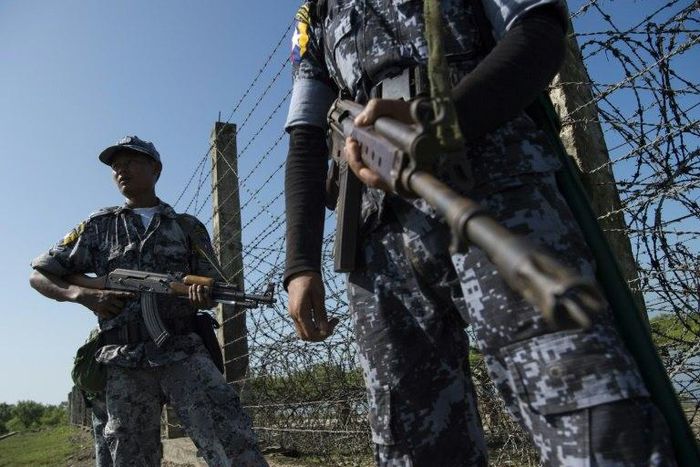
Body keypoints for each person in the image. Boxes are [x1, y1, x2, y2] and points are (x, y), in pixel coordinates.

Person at [283, 1, 676, 465]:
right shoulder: (316, 11)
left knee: (588, 411)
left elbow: (537, 30)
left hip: (498, 188)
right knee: (410, 440)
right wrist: (301, 264)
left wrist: (447, 120)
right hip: (377, 232)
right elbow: (307, 138)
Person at [30, 136, 268, 467]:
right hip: (123, 358)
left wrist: (202, 295)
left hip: (182, 347)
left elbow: (212, 286)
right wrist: (83, 294)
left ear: (155, 169)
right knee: (130, 455)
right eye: (115, 166)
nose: (121, 170)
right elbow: (40, 273)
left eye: (131, 162)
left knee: (231, 439)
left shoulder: (186, 227)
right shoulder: (100, 226)